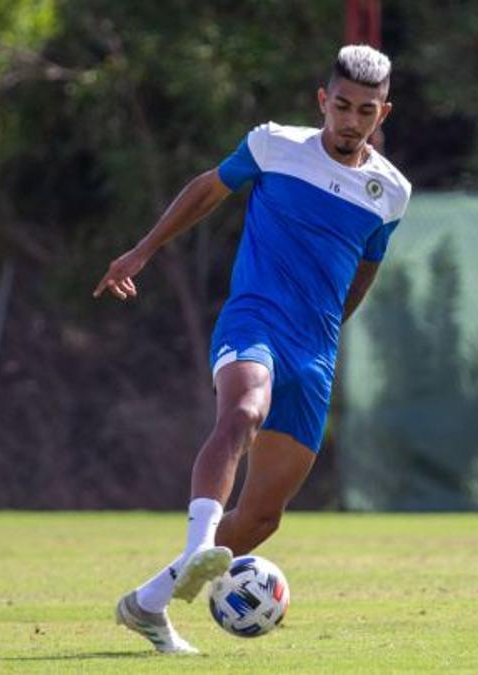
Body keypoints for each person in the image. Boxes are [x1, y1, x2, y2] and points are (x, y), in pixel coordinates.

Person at [93, 44, 410, 654]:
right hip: (255, 317)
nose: (350, 120)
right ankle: (196, 549)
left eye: (364, 110)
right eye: (341, 105)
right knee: (242, 411)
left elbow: (366, 267)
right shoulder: (273, 145)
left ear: (383, 114)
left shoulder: (390, 193)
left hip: (315, 349)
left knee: (263, 517)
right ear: (323, 101)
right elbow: (208, 190)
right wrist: (141, 251)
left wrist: (332, 330)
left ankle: (150, 603)